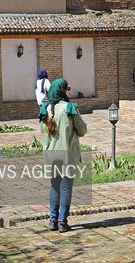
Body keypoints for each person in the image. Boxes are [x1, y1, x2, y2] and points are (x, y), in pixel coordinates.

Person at [39, 79, 87, 233]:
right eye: (68, 89)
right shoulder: (70, 108)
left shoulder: (45, 109)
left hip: (51, 155)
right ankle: (62, 222)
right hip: (67, 156)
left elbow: (42, 130)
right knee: (65, 188)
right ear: (63, 91)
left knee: (55, 187)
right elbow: (82, 130)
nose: (69, 92)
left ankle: (52, 220)